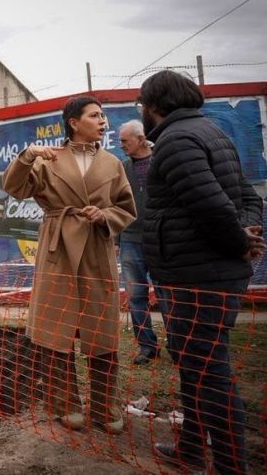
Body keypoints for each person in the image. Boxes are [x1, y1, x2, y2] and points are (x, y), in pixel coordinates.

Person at [139, 70, 264, 475]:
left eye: (142, 105)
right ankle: (191, 449)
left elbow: (211, 205)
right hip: (200, 271)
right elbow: (248, 197)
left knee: (209, 371)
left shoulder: (177, 141)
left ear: (153, 105)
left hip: (197, 277)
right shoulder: (211, 133)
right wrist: (245, 233)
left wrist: (240, 241)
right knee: (193, 364)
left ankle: (230, 466)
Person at [2, 95, 136, 434]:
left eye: (103, 116)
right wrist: (27, 156)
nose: (103, 121)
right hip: (57, 248)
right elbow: (14, 187)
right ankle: (64, 403)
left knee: (101, 328)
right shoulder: (48, 159)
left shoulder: (112, 163)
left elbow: (126, 207)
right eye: (95, 115)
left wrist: (104, 215)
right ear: (74, 122)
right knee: (56, 328)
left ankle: (105, 406)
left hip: (96, 248)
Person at [117, 119, 161, 365]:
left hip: (161, 240)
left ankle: (179, 346)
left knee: (168, 295)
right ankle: (147, 347)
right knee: (135, 297)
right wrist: (116, 238)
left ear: (141, 139)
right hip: (130, 240)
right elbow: (114, 204)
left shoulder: (162, 161)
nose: (121, 145)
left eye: (125, 141)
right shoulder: (122, 169)